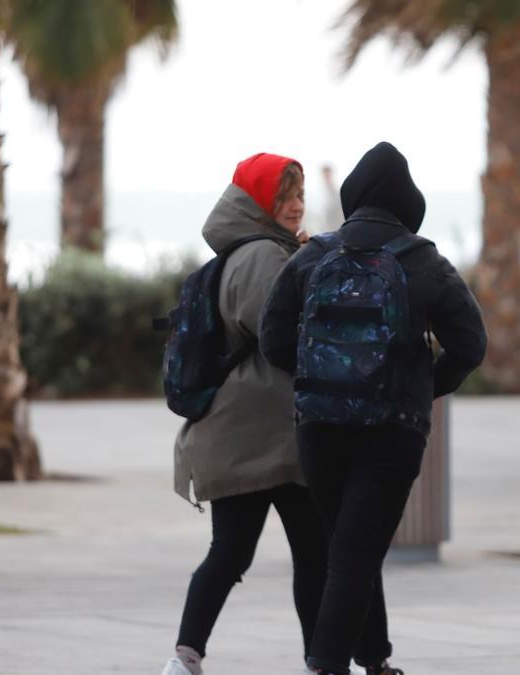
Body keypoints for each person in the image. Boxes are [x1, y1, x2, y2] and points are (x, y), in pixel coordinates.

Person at [260, 142, 487, 675]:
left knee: (350, 542)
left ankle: (374, 658)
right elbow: (470, 343)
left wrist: (321, 375)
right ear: (408, 201)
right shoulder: (422, 259)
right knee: (357, 551)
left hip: (319, 426)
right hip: (391, 428)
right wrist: (424, 386)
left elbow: (272, 339)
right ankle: (327, 664)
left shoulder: (313, 255)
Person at [163, 153, 327, 675]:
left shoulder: (265, 250)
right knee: (276, 554)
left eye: (299, 196)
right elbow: (280, 336)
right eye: (285, 197)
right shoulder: (262, 256)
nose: (297, 207)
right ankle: (314, 662)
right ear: (260, 202)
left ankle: (185, 659)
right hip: (260, 437)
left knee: (248, 554)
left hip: (257, 435)